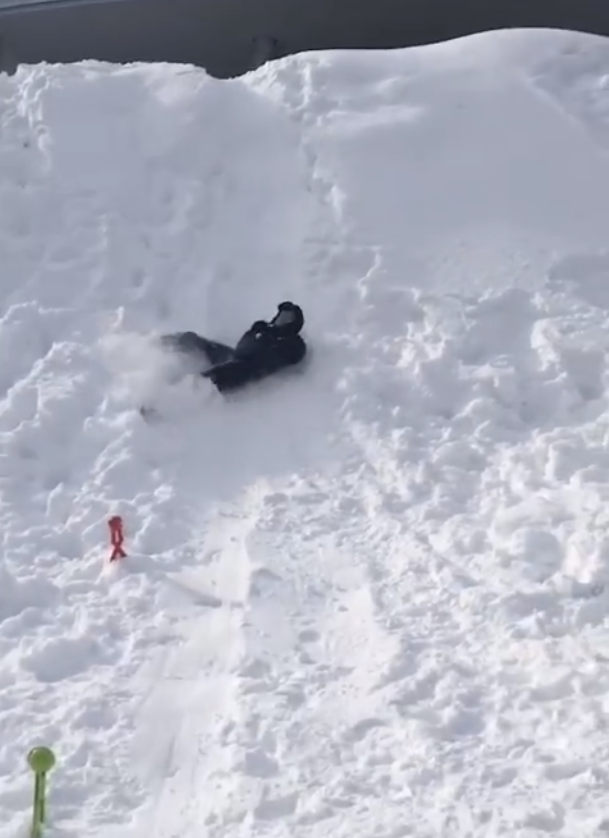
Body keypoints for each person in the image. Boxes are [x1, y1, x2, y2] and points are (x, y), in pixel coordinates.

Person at [160, 301, 307, 393]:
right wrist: (258, 331)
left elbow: (287, 355)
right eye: (281, 315)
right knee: (192, 339)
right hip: (234, 356)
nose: (281, 320)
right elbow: (244, 346)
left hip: (246, 369)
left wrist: (272, 337)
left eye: (287, 318)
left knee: (205, 382)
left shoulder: (293, 343)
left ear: (293, 325)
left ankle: (166, 402)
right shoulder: (264, 330)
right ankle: (155, 344)